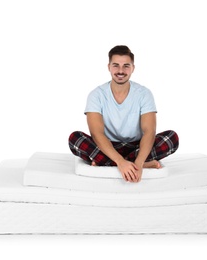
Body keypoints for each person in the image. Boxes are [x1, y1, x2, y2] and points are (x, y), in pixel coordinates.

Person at [69, 45, 179, 183]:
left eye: (126, 66)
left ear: (133, 68)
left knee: (172, 138)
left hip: (137, 146)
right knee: (75, 138)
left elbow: (149, 132)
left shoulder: (144, 94)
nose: (121, 71)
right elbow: (97, 134)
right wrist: (120, 161)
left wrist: (138, 163)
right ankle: (136, 164)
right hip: (107, 146)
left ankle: (108, 164)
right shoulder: (96, 95)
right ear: (109, 67)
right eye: (116, 65)